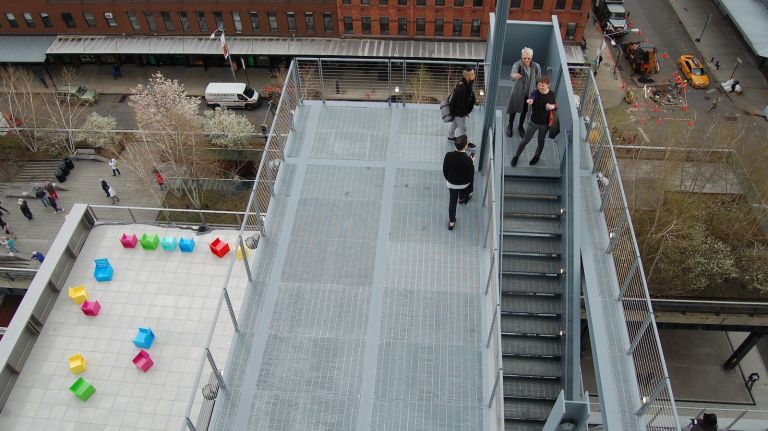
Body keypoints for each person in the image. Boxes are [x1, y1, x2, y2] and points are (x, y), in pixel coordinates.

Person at [511, 76, 557, 167]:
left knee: (541, 141)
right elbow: (532, 97)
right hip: (533, 122)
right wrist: (530, 100)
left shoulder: (551, 94)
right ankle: (516, 156)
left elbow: (555, 105)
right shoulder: (535, 92)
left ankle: (537, 156)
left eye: (542, 86)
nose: (540, 87)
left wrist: (552, 106)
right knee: (525, 140)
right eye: (539, 85)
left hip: (545, 124)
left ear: (548, 85)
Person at [506, 47, 542, 138]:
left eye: (528, 58)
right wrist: (514, 76)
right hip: (517, 92)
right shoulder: (517, 64)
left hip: (529, 94)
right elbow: (513, 73)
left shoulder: (536, 67)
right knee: (513, 109)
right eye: (524, 58)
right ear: (521, 56)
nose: (526, 60)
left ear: (531, 57)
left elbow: (538, 81)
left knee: (524, 111)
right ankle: (510, 125)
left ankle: (520, 126)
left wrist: (538, 92)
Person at [442, 135, 475, 231]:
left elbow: (445, 171)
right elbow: (470, 176)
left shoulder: (448, 155)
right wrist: (472, 162)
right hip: (464, 184)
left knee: (452, 202)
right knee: (464, 189)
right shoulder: (468, 160)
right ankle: (461, 198)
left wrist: (449, 179)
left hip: (451, 184)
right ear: (466, 146)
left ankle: (451, 222)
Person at [447, 66, 477, 143]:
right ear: (467, 76)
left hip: (456, 110)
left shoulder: (465, 83)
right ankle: (464, 143)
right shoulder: (462, 87)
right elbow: (460, 104)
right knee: (462, 128)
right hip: (459, 112)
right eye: (473, 74)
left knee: (454, 123)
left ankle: (450, 136)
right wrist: (462, 114)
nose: (474, 75)